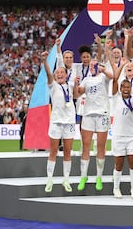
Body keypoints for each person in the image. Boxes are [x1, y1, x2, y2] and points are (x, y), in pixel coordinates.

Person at [41, 51, 79, 193]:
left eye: (62, 72)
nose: (59, 74)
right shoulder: (53, 86)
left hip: (69, 123)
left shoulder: (69, 84)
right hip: (56, 123)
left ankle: (66, 179)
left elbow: (75, 96)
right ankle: (49, 179)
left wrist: (75, 84)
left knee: (67, 153)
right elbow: (49, 75)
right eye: (57, 73)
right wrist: (45, 62)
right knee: (53, 152)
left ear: (66, 74)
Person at [77, 46, 113, 192]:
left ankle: (99, 176)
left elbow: (113, 76)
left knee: (101, 147)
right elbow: (78, 92)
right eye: (91, 65)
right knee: (86, 146)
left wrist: (103, 69)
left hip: (102, 114)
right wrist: (75, 84)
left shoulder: (104, 77)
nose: (92, 66)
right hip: (88, 115)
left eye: (95, 64)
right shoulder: (86, 79)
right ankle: (83, 176)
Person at [110, 56, 133, 199]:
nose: (126, 89)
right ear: (121, 88)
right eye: (124, 87)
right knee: (119, 164)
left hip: (132, 136)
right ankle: (116, 188)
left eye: (128, 87)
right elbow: (115, 79)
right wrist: (121, 65)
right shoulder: (116, 97)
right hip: (118, 136)